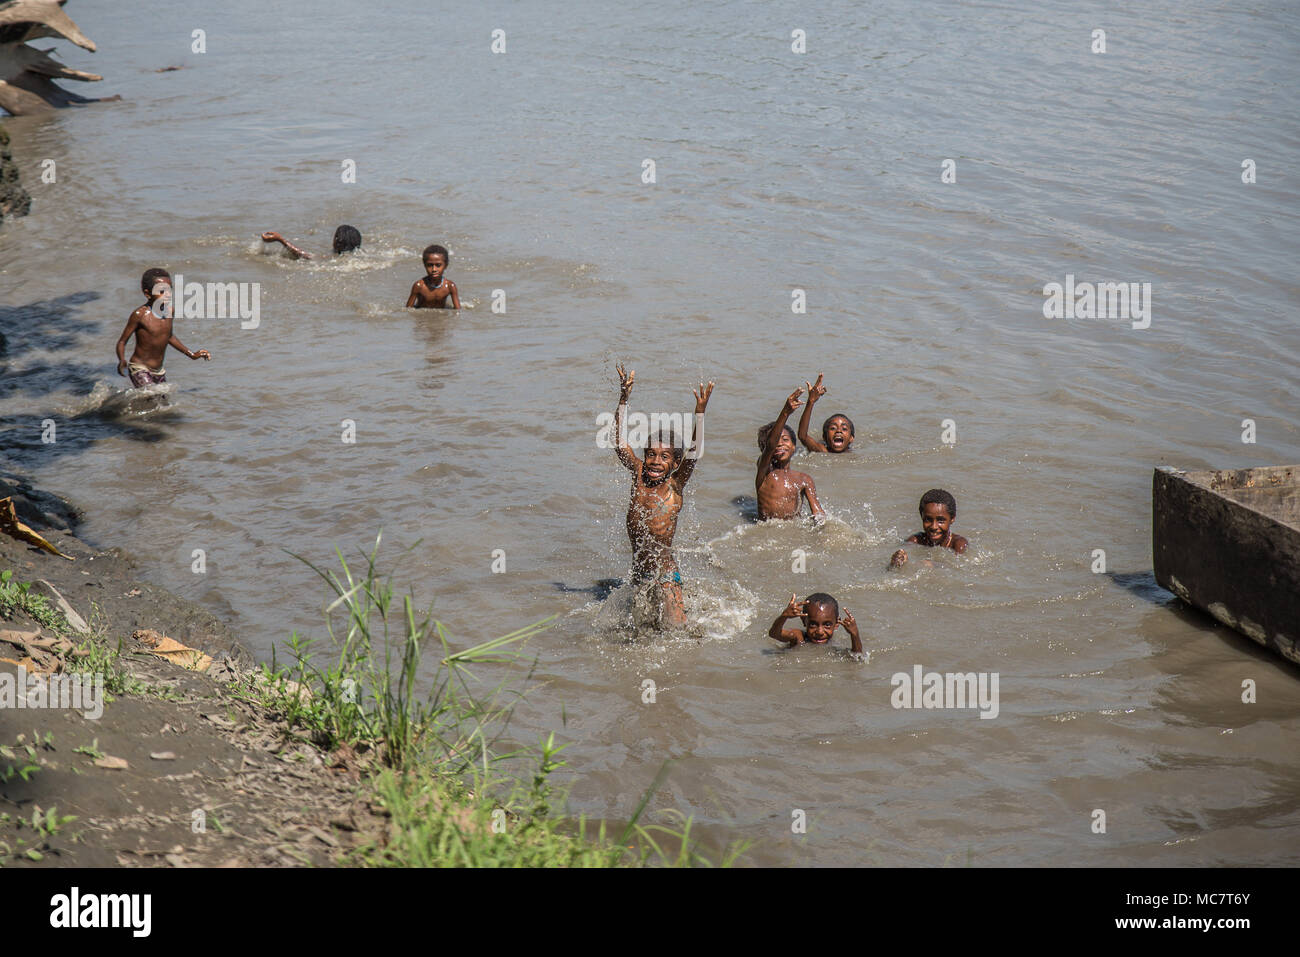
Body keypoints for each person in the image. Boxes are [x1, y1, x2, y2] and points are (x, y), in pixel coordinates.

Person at [612, 363, 713, 629]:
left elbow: (694, 451)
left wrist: (699, 413)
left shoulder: (675, 485)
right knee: (637, 634)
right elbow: (619, 443)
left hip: (665, 573)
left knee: (675, 631)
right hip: (639, 574)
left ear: (675, 463)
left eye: (664, 457)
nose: (656, 462)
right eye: (651, 455)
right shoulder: (639, 474)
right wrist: (623, 399)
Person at [115, 268, 210, 387]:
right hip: (139, 368)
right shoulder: (139, 315)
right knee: (152, 396)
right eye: (161, 291)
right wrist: (122, 360)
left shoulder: (170, 311)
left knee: (163, 402)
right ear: (147, 294)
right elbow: (122, 341)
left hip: (159, 370)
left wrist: (192, 354)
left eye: (170, 290)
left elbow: (168, 336)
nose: (167, 294)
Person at [756, 387, 825, 521]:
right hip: (768, 531)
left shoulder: (804, 479)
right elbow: (770, 445)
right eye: (777, 440)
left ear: (794, 446)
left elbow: (818, 513)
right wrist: (785, 413)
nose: (780, 444)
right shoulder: (764, 471)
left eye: (785, 439)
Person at [890, 489, 969, 567]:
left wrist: (933, 564)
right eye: (928, 519)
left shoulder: (958, 543)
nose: (934, 527)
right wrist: (898, 561)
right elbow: (902, 552)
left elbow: (957, 566)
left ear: (952, 519)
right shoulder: (916, 540)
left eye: (940, 521)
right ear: (922, 517)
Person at [767, 592, 862, 654]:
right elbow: (774, 634)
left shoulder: (835, 646)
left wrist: (854, 634)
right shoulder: (799, 638)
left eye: (827, 625)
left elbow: (856, 659)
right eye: (813, 624)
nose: (820, 632)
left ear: (836, 624)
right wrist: (784, 616)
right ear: (804, 621)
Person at [797, 373, 855, 453]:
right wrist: (811, 401)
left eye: (844, 429)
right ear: (824, 437)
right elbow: (802, 436)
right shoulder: (822, 450)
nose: (838, 431)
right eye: (833, 428)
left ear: (851, 438)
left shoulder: (854, 455)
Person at [260, 224, 362, 260]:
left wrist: (280, 239)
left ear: (337, 242)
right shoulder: (357, 255)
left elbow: (308, 257)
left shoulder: (334, 257)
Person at [406, 244, 460, 309]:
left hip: (442, 318)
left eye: (438, 265)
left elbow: (457, 311)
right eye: (430, 265)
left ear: (446, 265)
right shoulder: (419, 286)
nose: (434, 269)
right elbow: (408, 310)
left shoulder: (450, 286)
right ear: (424, 265)